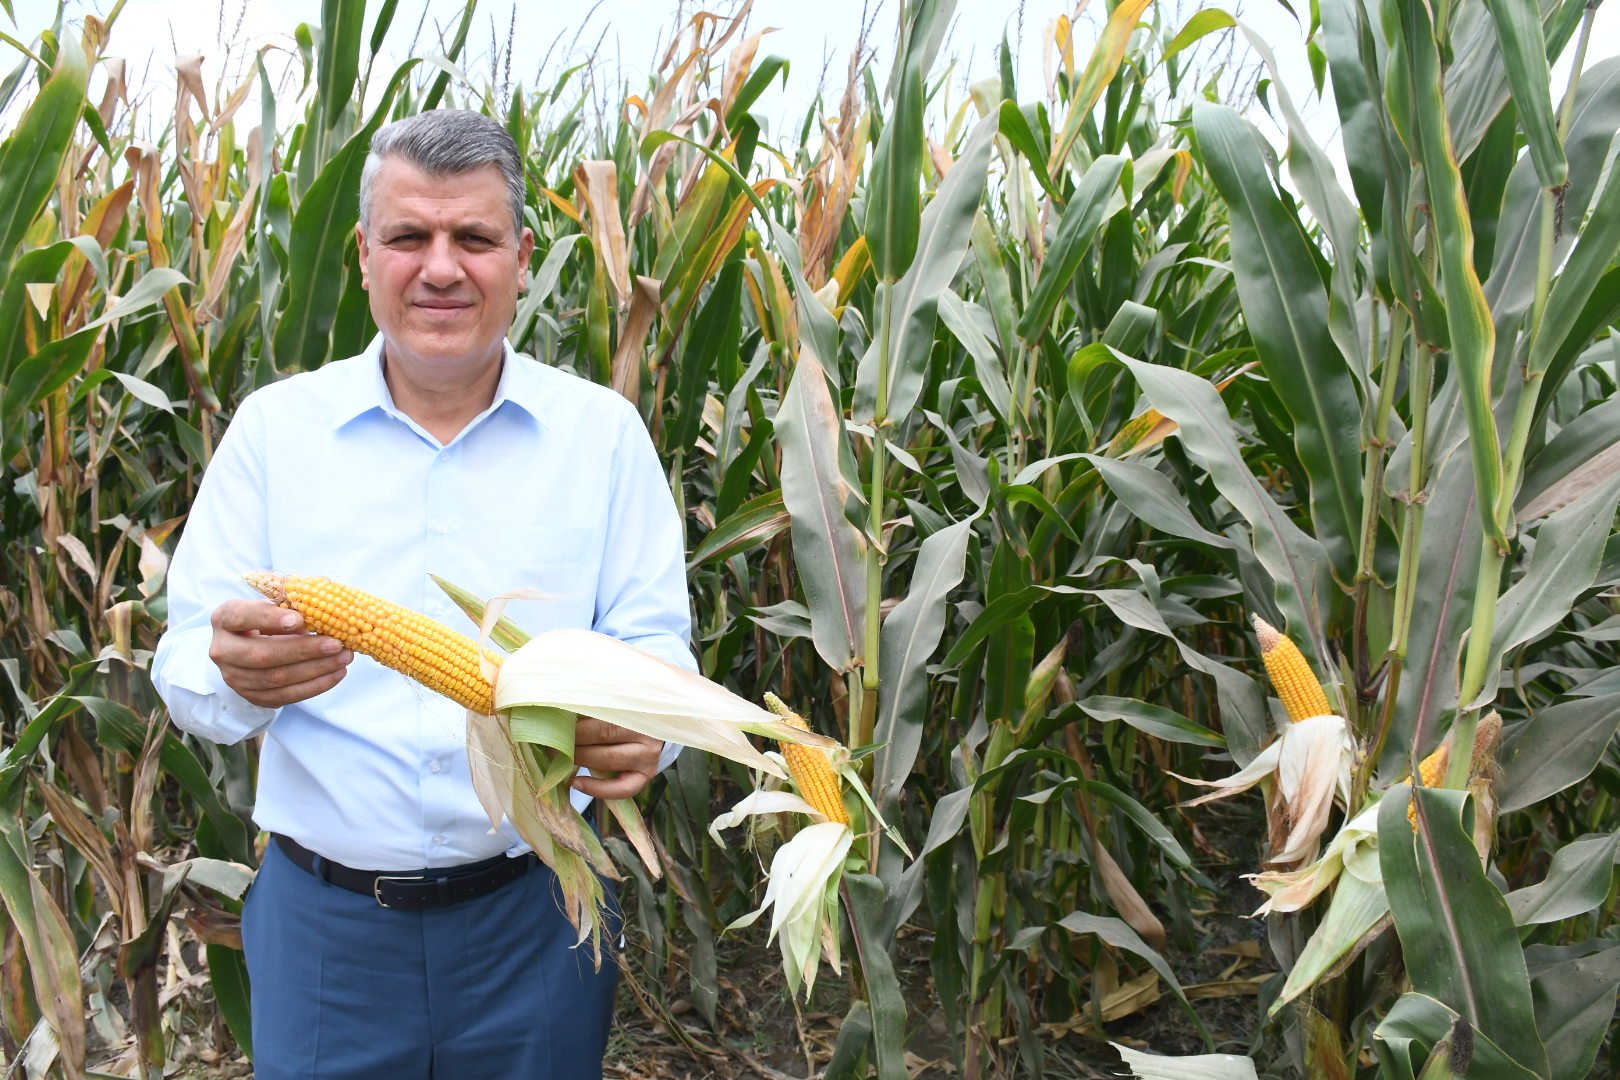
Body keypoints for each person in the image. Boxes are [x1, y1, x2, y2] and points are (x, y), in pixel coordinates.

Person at [151, 109, 692, 1079]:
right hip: (325, 929)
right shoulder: (277, 433)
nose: (441, 268)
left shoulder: (601, 438)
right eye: (410, 237)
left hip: (543, 911)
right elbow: (187, 660)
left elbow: (660, 656)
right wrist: (239, 675)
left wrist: (649, 725)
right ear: (363, 255)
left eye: (474, 239)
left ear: (523, 258)